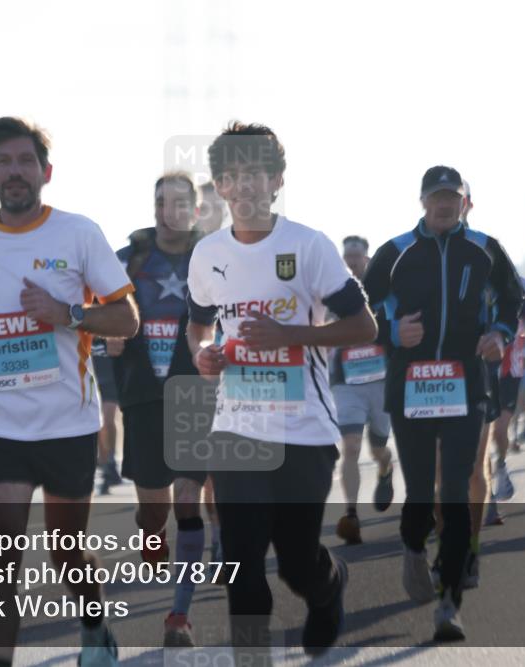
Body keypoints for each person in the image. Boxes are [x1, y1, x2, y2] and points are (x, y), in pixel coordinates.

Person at [0, 117, 139, 667]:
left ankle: (94, 618)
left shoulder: (78, 233)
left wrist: (66, 313)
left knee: (65, 554)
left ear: (45, 172)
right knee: (1, 555)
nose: (14, 172)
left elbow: (127, 318)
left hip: (68, 421)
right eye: (3, 162)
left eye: (24, 161)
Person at [186, 122, 377, 659]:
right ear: (220, 186)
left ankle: (328, 586)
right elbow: (199, 323)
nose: (244, 187)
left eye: (255, 174)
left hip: (304, 430)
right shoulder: (206, 256)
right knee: (241, 565)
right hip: (236, 429)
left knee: (295, 561)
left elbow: (365, 328)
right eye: (232, 176)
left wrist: (291, 334)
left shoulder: (309, 246)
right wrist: (202, 354)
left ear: (276, 180)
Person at [363, 165, 521, 641]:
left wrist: (499, 333)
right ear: (423, 202)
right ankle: (413, 545)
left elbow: (513, 300)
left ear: (464, 202)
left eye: (453, 196)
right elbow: (360, 306)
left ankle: (448, 603)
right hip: (410, 385)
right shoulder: (395, 252)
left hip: (465, 383)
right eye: (437, 197)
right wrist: (392, 332)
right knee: (419, 493)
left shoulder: (486, 249)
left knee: (453, 488)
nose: (445, 204)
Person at [110, 172, 208, 646]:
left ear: (194, 209)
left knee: (188, 498)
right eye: (162, 202)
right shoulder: (128, 259)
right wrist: (106, 335)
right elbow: (93, 308)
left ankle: (178, 616)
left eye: (179, 202)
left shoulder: (216, 256)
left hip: (197, 393)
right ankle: (154, 534)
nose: (170, 211)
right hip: (143, 395)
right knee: (154, 510)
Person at [330, 235, 394, 545]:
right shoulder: (333, 291)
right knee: (351, 447)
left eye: (357, 256)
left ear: (366, 259)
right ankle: (351, 514)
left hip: (380, 383)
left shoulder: (380, 291)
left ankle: (385, 469)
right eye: (348, 256)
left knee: (377, 449)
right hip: (347, 384)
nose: (352, 261)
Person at [91, 338, 123, 495]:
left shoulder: (107, 321)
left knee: (107, 419)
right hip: (92, 380)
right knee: (98, 425)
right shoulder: (83, 323)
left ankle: (110, 461)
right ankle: (107, 467)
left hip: (111, 379)